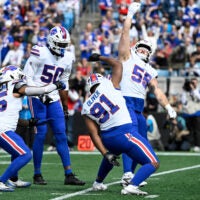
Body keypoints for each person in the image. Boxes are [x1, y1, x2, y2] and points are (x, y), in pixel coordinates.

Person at [81, 53, 160, 195]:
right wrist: (100, 57)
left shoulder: (86, 106)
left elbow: (93, 134)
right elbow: (118, 64)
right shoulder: (110, 85)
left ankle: (98, 182)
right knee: (153, 162)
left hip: (108, 139)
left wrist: (105, 153)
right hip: (125, 133)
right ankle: (132, 186)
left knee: (112, 155)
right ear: (102, 80)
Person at [118, 2, 177, 186]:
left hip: (138, 108)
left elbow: (157, 90)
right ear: (135, 49)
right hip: (125, 102)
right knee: (132, 138)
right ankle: (127, 174)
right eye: (141, 47)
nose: (143, 50)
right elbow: (125, 35)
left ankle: (133, 174)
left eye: (146, 48)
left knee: (142, 139)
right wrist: (130, 15)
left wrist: (168, 107)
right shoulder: (127, 58)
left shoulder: (150, 69)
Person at [23, 26, 85, 186]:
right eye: (60, 44)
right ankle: (37, 174)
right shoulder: (40, 52)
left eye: (65, 44)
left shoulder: (67, 58)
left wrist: (64, 103)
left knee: (61, 135)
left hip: (53, 97)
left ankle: (69, 173)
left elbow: (63, 82)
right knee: (41, 134)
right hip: (37, 97)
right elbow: (26, 76)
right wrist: (38, 91)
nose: (63, 48)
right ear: (51, 42)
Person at [0, 65, 65, 192]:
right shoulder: (15, 86)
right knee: (25, 154)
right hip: (3, 130)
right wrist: (55, 85)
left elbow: (10, 116)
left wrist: (28, 123)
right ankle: (1, 180)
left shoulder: (4, 91)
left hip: (4, 128)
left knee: (17, 151)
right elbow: (41, 90)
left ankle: (13, 179)